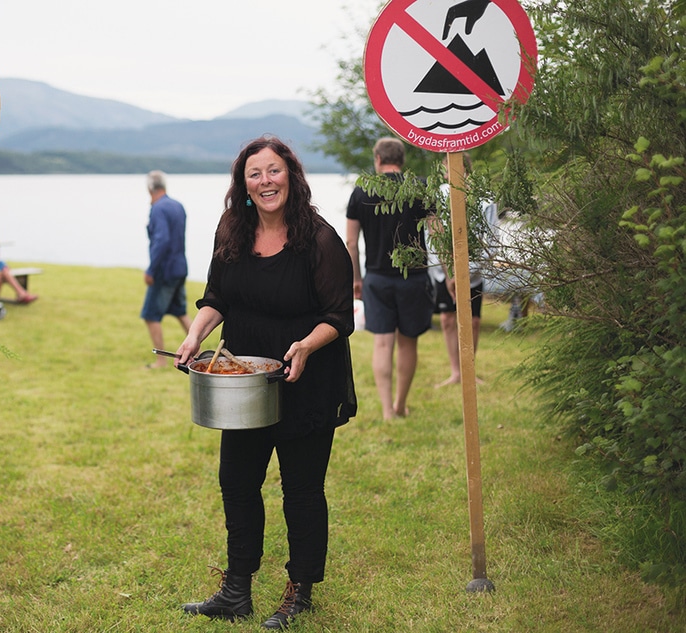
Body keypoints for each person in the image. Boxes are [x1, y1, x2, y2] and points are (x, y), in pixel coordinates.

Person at [175, 137, 357, 630]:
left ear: (291, 176)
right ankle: (237, 590)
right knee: (236, 483)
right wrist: (195, 334)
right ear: (243, 184)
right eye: (254, 174)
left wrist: (304, 346)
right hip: (244, 381)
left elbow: (340, 316)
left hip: (305, 378)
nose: (265, 181)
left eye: (273, 171)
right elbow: (217, 296)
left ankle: (300, 592)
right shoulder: (232, 230)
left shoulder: (319, 239)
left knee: (300, 491)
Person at [346, 137, 435, 420]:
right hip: (415, 278)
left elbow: (350, 242)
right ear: (402, 159)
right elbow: (438, 233)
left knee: (383, 343)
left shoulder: (361, 191)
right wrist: (449, 274)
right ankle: (400, 404)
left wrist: (355, 278)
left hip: (376, 278)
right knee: (408, 342)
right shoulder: (421, 188)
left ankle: (387, 411)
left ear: (377, 159)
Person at [428, 154, 497, 387]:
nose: (446, 174)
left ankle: (469, 371)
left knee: (473, 321)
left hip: (473, 274)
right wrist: (451, 272)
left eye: (448, 169)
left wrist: (465, 272)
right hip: (444, 271)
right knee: (448, 318)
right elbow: (434, 236)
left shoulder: (484, 200)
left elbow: (492, 242)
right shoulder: (438, 195)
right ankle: (455, 371)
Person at [141, 171, 192, 369]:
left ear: (149, 188)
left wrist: (151, 270)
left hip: (165, 270)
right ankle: (198, 350)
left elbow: (161, 240)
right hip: (180, 267)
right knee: (180, 311)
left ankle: (161, 360)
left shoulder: (158, 209)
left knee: (151, 315)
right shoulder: (177, 205)